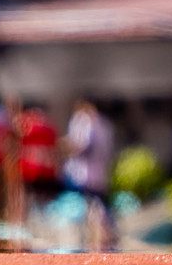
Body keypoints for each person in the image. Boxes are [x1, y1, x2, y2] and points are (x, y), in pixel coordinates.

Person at [63, 100, 115, 251]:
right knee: (99, 207)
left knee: (93, 208)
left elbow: (82, 146)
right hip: (100, 171)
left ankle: (97, 242)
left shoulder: (86, 121)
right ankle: (101, 241)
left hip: (87, 173)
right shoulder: (104, 122)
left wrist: (64, 147)